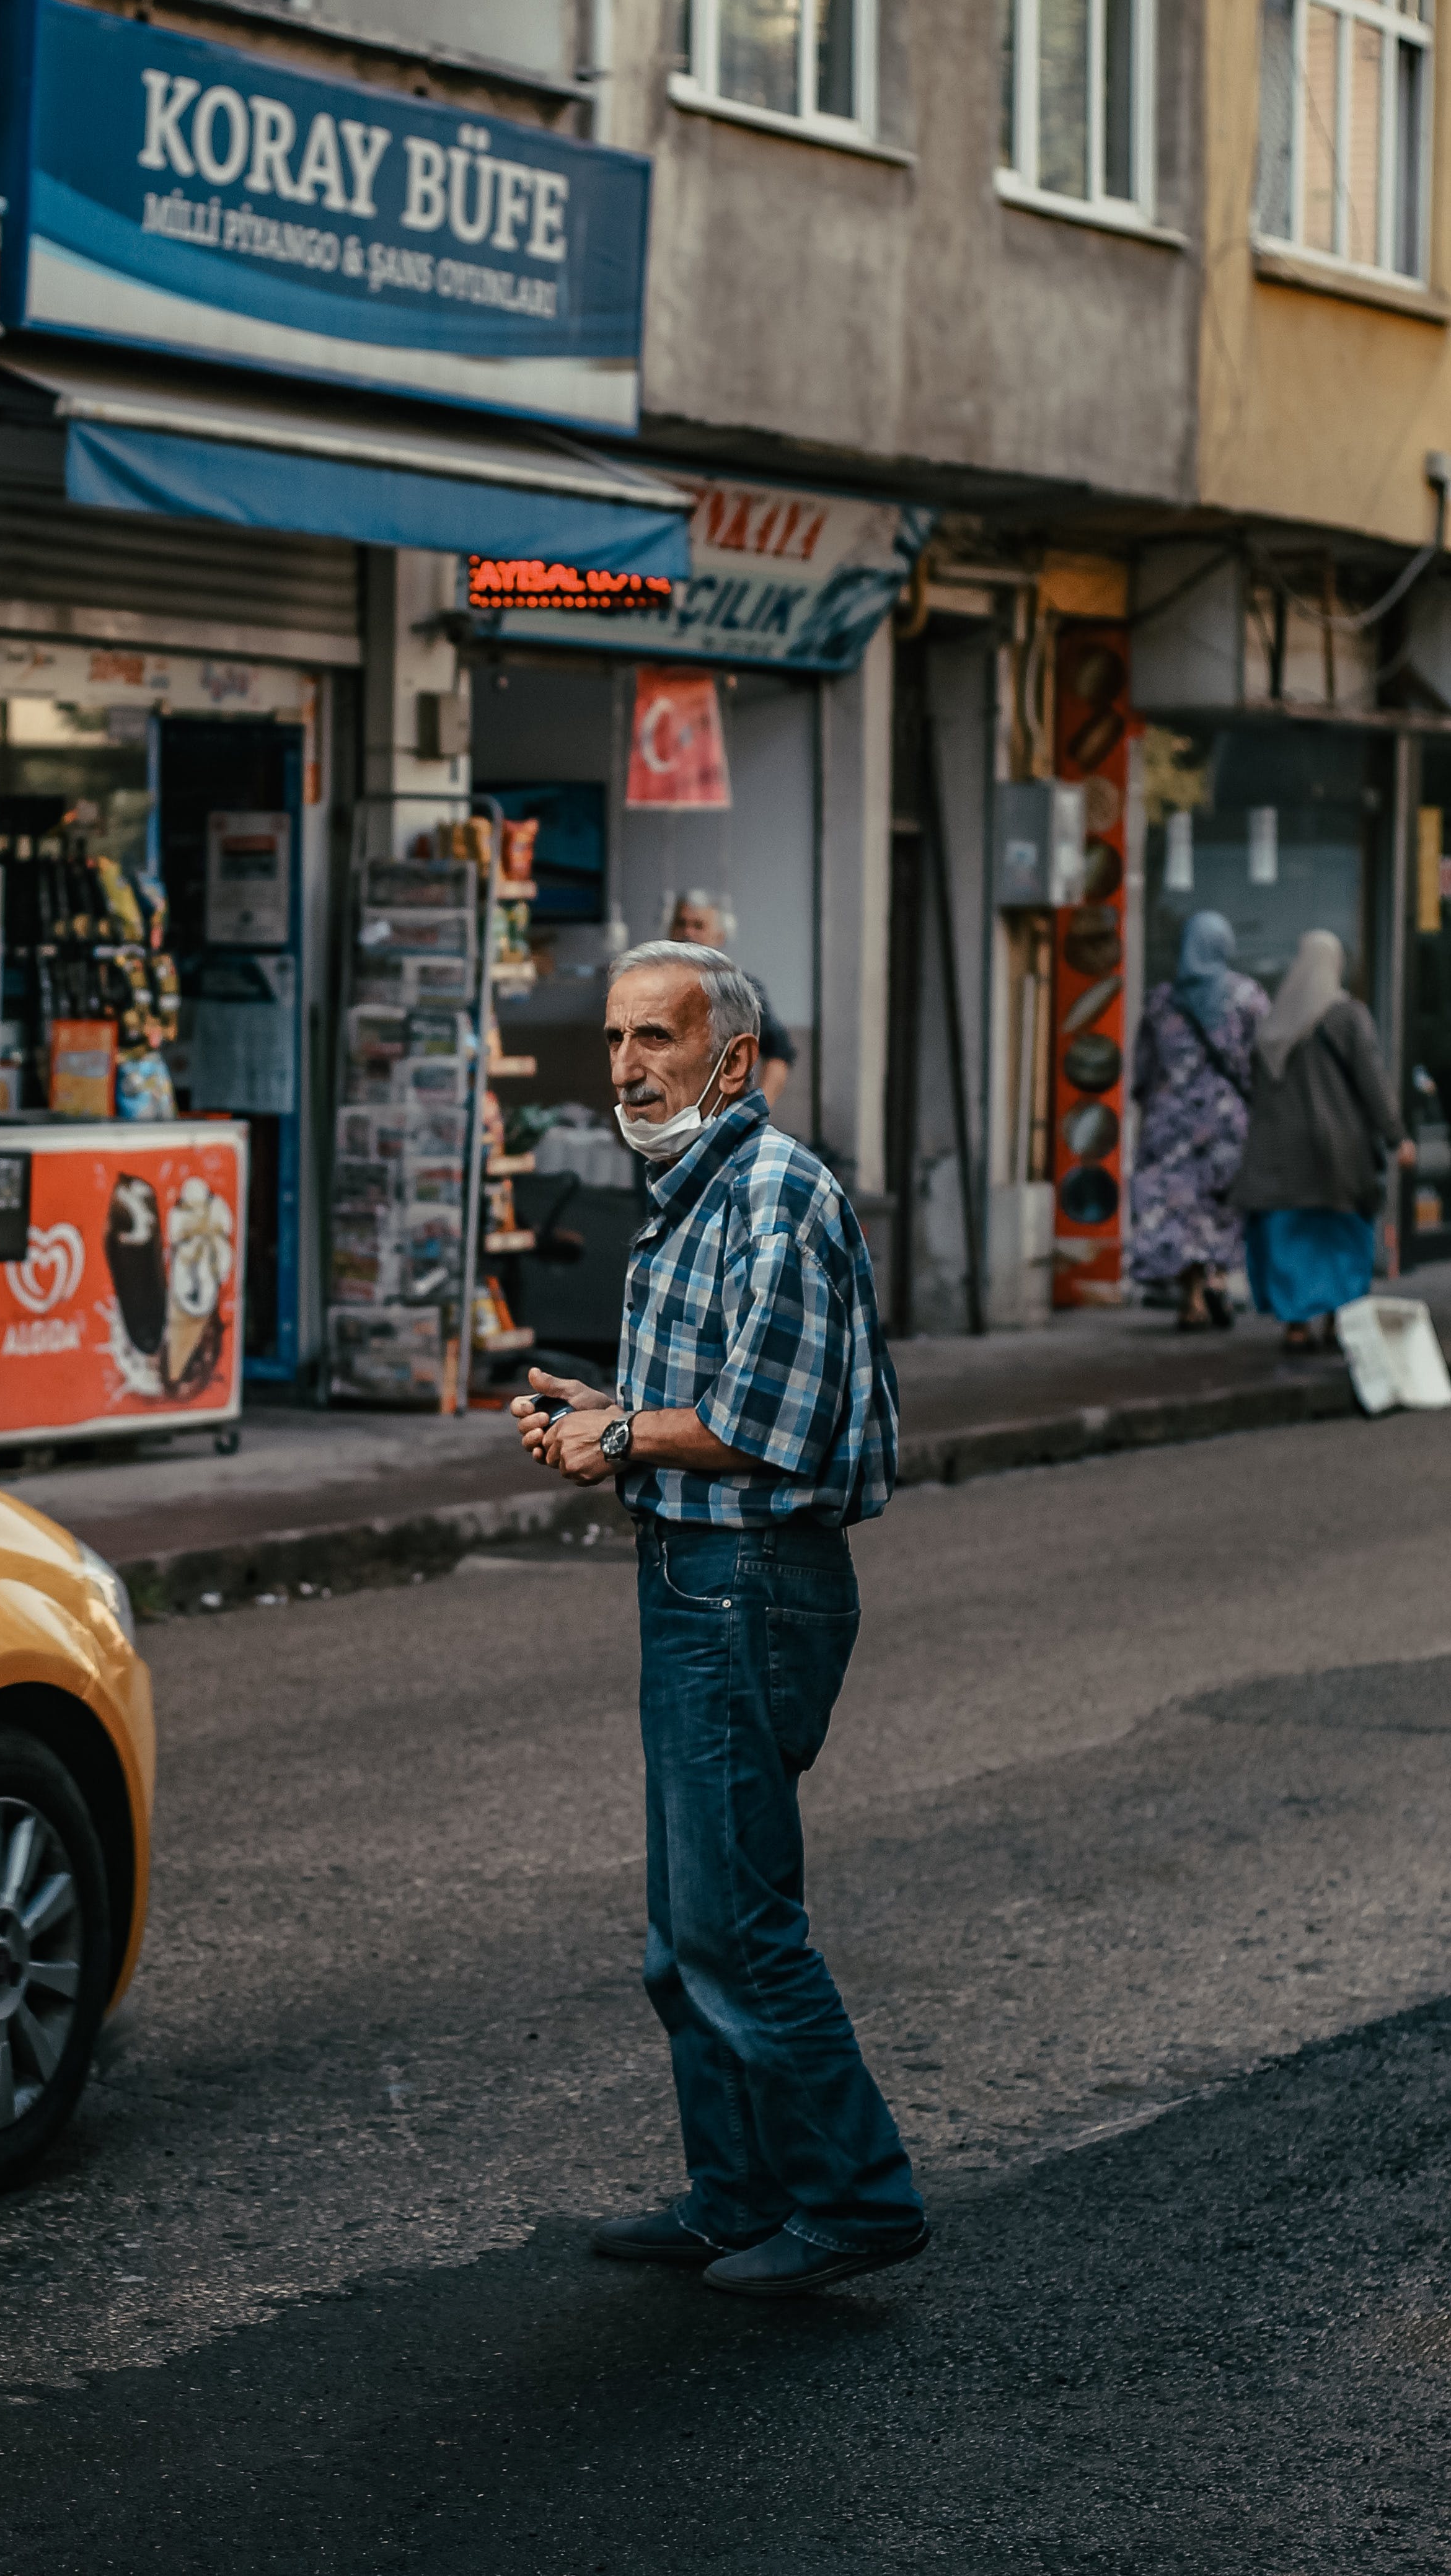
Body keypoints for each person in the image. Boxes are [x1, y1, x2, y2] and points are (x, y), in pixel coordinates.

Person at [509, 939, 926, 2301]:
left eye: (657, 1041)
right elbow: (715, 1391)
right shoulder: (696, 1192)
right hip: (695, 1571)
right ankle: (734, 2191)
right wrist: (595, 1409)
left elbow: (762, 1423)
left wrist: (615, 1429)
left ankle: (856, 2196)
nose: (626, 1066)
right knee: (682, 1932)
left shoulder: (772, 1189)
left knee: (737, 1924)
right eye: (616, 1039)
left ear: (732, 1059)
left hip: (746, 1582)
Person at [1229, 928, 1413, 1353]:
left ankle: (1294, 1326)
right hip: (1337, 1153)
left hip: (1279, 1155)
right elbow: (1372, 1083)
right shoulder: (1347, 1017)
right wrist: (1395, 1136)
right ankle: (1336, 1320)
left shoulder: (1274, 1021)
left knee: (1288, 1239)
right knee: (1339, 1236)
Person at [1127, 910, 1268, 1330]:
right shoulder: (1248, 998)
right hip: (1227, 1123)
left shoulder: (1160, 1002)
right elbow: (1263, 1062)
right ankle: (1219, 1281)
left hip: (1169, 1126)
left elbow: (1142, 1070)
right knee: (1222, 1205)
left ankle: (1191, 1296)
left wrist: (1156, 1103)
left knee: (1176, 1208)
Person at [666, 892, 794, 1107]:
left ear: (720, 936)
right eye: (681, 923)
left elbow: (779, 1053)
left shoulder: (742, 991)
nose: (688, 933)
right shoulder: (653, 988)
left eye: (699, 926)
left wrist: (758, 1111)